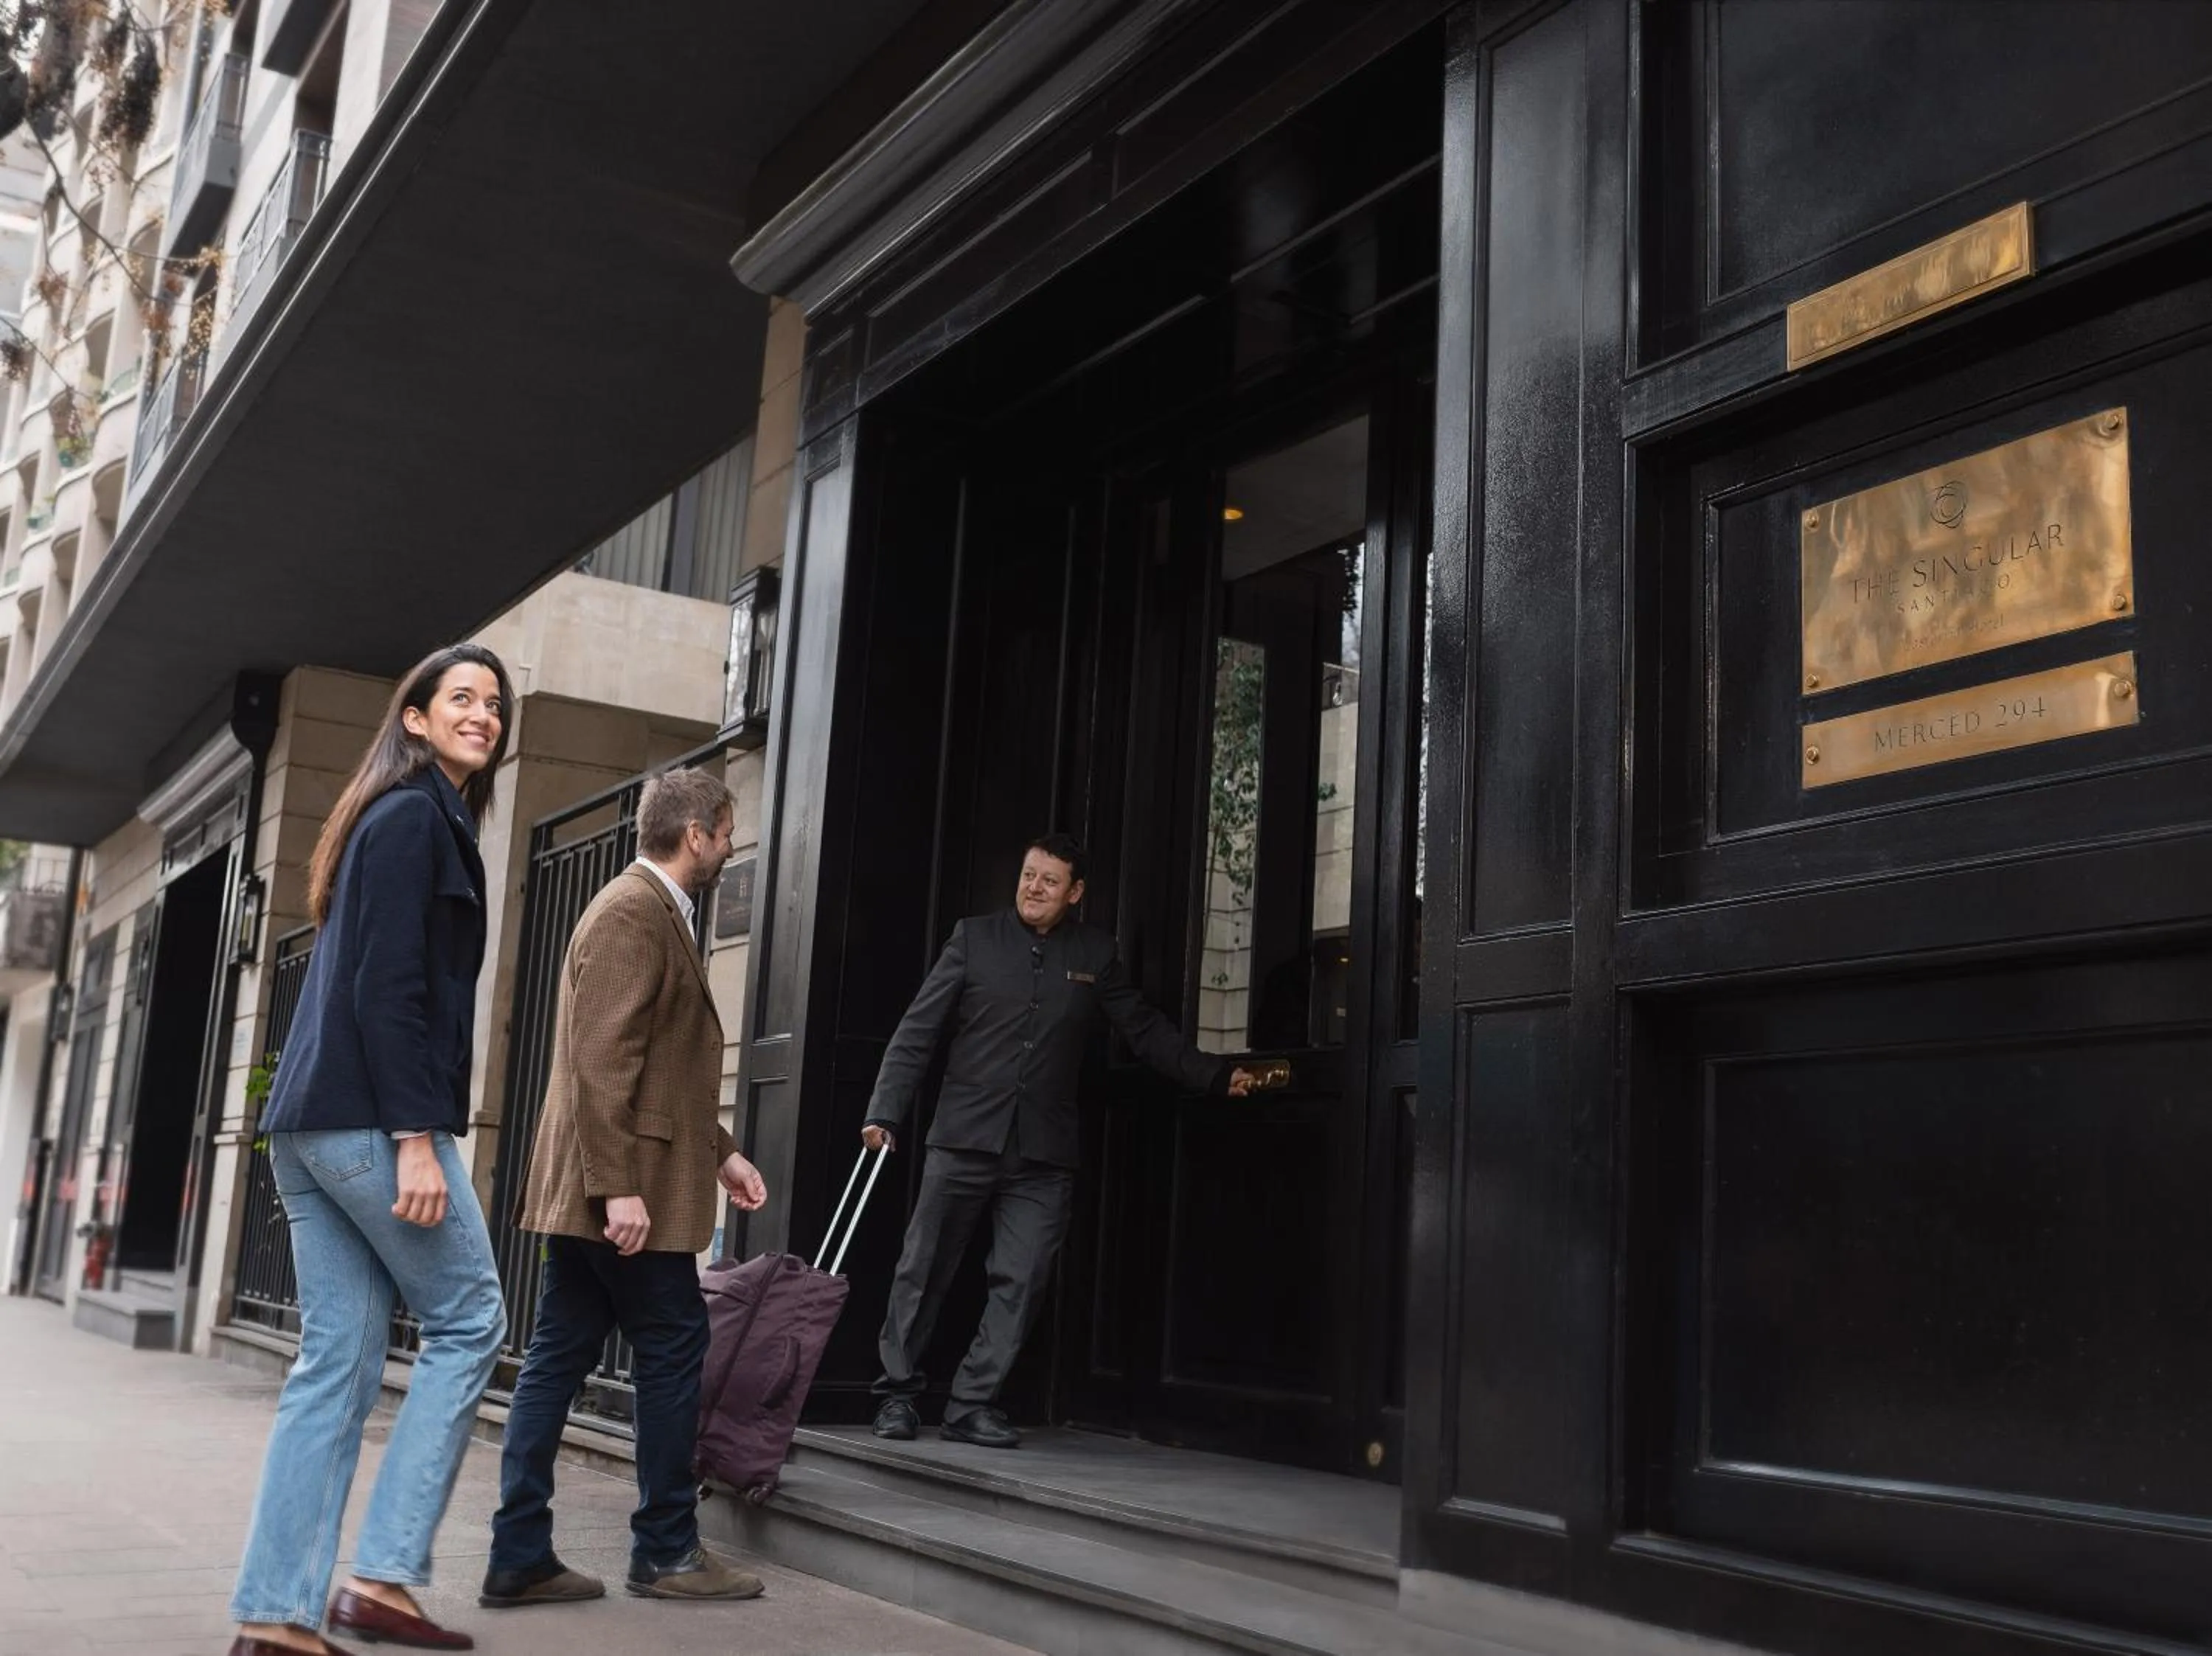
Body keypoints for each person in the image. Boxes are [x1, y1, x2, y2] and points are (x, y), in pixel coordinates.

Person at [229, 644, 516, 1656]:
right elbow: (387, 990)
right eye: (461, 700)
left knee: (336, 1367)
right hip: (367, 1125)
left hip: (311, 1126)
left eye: (493, 703)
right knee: (472, 1315)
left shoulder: (400, 820)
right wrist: (417, 1140)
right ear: (416, 719)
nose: (482, 713)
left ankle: (276, 1619)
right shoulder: (410, 821)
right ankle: (383, 1576)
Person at [864, 832, 1258, 1448]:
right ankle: (896, 1396)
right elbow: (917, 1032)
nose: (1034, 888)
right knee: (924, 1270)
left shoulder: (1095, 954)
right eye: (1028, 875)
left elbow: (1144, 1029)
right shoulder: (973, 938)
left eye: (1050, 881)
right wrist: (885, 1112)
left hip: (1043, 1156)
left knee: (1021, 1280)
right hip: (964, 1139)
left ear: (1075, 892)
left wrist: (1212, 1074)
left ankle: (972, 1404)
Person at [483, 765, 771, 1607]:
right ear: (696, 835)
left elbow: (656, 1066)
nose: (727, 845)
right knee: (674, 1347)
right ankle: (667, 1550)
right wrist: (618, 1189)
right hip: (619, 1188)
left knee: (559, 1354)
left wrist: (720, 1149)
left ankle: (520, 1554)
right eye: (725, 831)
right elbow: (601, 1063)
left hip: (617, 1180)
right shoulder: (631, 913)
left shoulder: (654, 912)